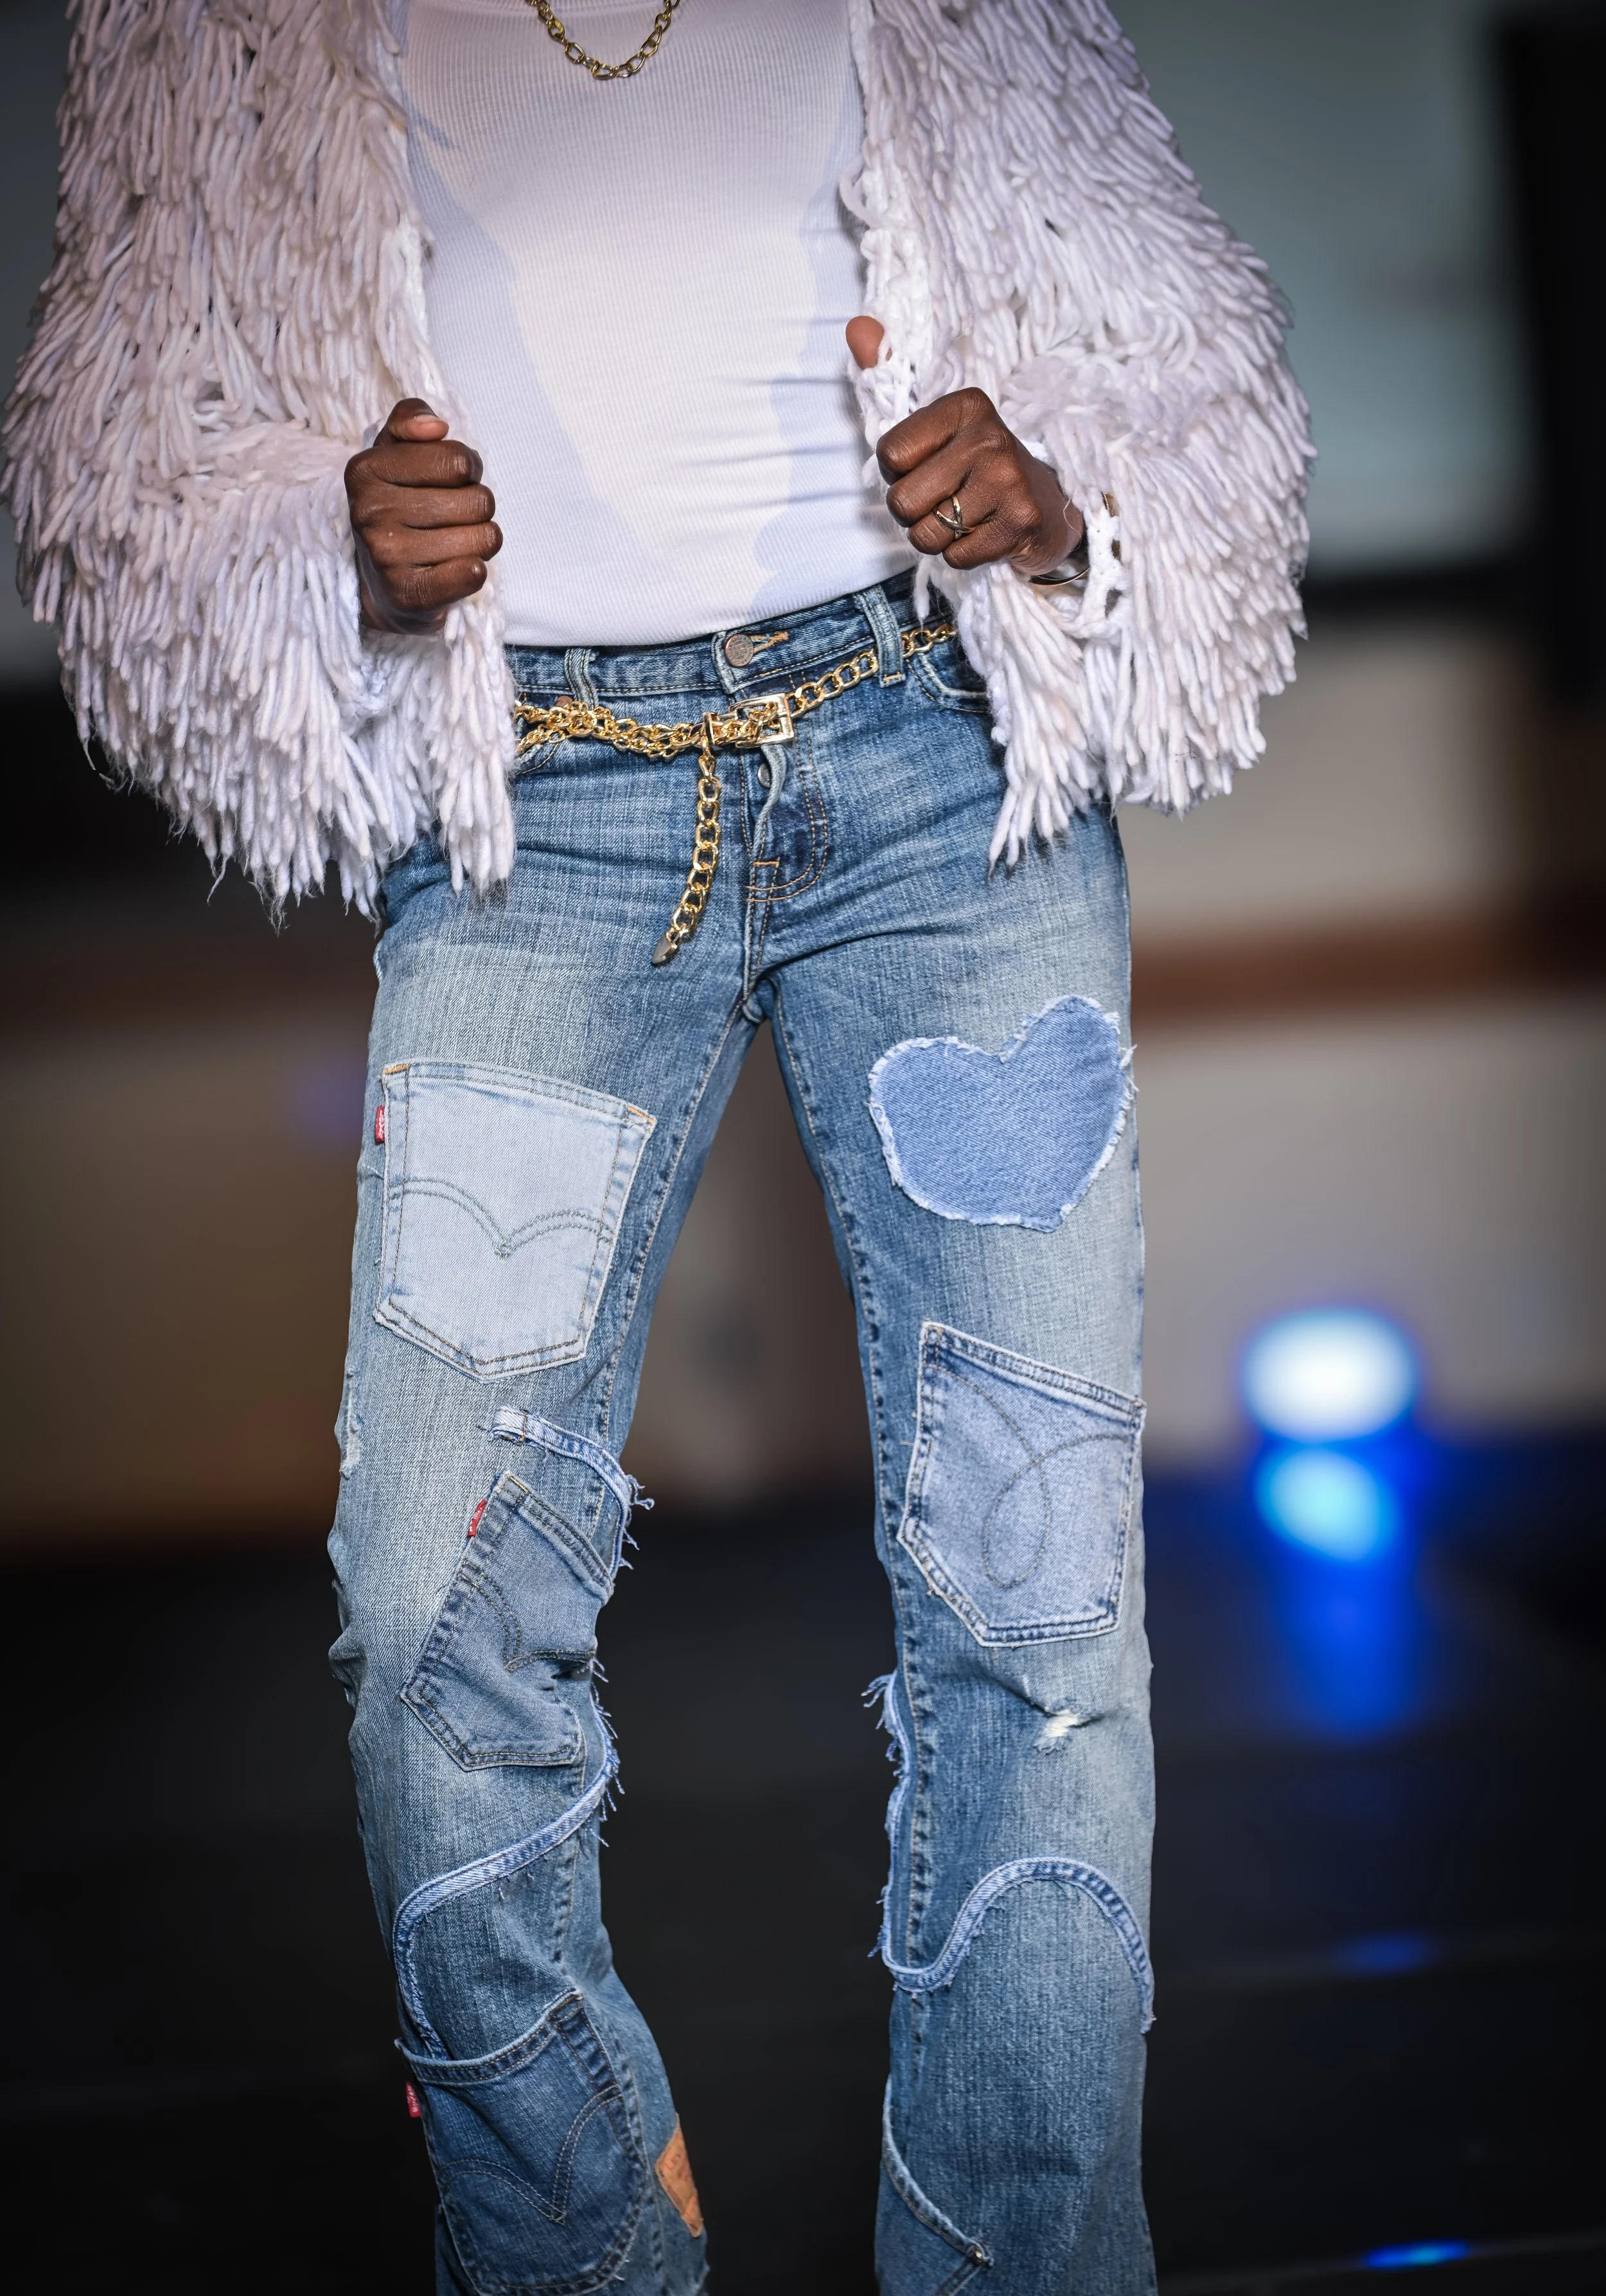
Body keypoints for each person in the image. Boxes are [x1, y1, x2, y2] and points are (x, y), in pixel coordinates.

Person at [4, 2, 1310, 2288]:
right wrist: (325, 549)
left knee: (1035, 1603)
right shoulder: (221, 19)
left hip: (939, 762)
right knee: (432, 1604)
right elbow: (120, 471)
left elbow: (1182, 374)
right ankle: (575, 2255)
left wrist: (1061, 501)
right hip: (541, 811)